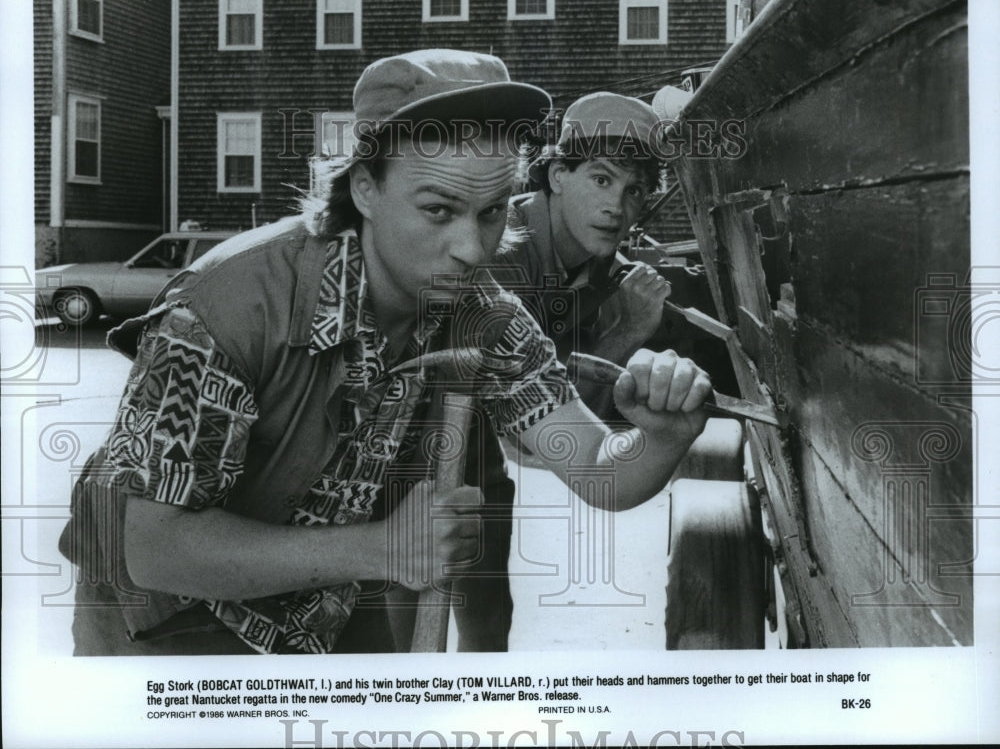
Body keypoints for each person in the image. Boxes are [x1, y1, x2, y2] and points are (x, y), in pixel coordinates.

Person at [58, 49, 712, 655]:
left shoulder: (476, 312)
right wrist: (381, 549)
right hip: (163, 618)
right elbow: (153, 547)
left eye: (489, 214)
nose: (472, 248)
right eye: (438, 209)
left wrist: (658, 437)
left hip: (321, 606)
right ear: (365, 187)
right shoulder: (228, 306)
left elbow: (599, 465)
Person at [499, 91, 673, 418]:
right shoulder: (500, 250)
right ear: (558, 175)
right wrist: (628, 331)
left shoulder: (614, 277)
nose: (616, 207)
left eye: (633, 190)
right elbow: (527, 418)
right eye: (601, 179)